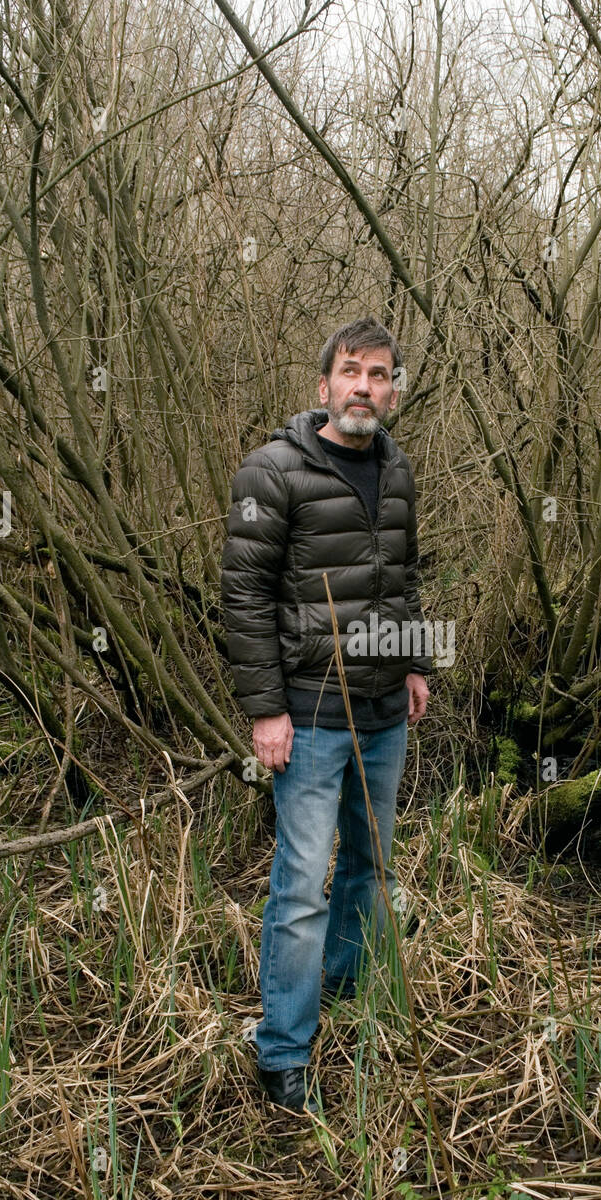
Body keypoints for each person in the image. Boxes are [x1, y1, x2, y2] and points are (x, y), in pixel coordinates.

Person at [221, 316, 431, 1115]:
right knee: (301, 884)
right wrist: (266, 710)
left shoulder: (398, 468)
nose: (364, 387)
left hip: (384, 713)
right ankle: (282, 1052)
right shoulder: (271, 472)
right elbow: (242, 598)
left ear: (392, 391)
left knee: (368, 869)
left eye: (379, 375)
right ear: (323, 386)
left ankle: (339, 995)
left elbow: (402, 576)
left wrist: (413, 661)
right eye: (351, 372)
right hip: (307, 718)